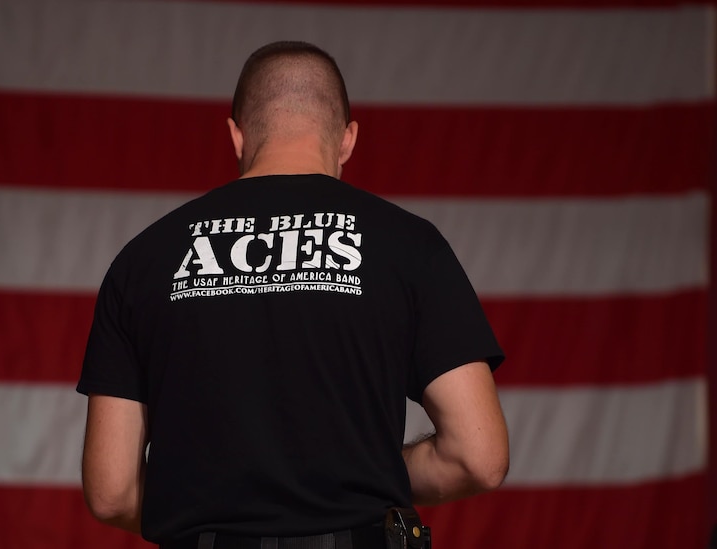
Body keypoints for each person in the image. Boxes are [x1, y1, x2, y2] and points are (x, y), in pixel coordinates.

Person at [76, 41, 509, 549]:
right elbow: (478, 457)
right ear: (347, 139)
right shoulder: (410, 245)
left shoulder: (144, 258)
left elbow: (110, 491)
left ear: (236, 135)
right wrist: (355, 474)